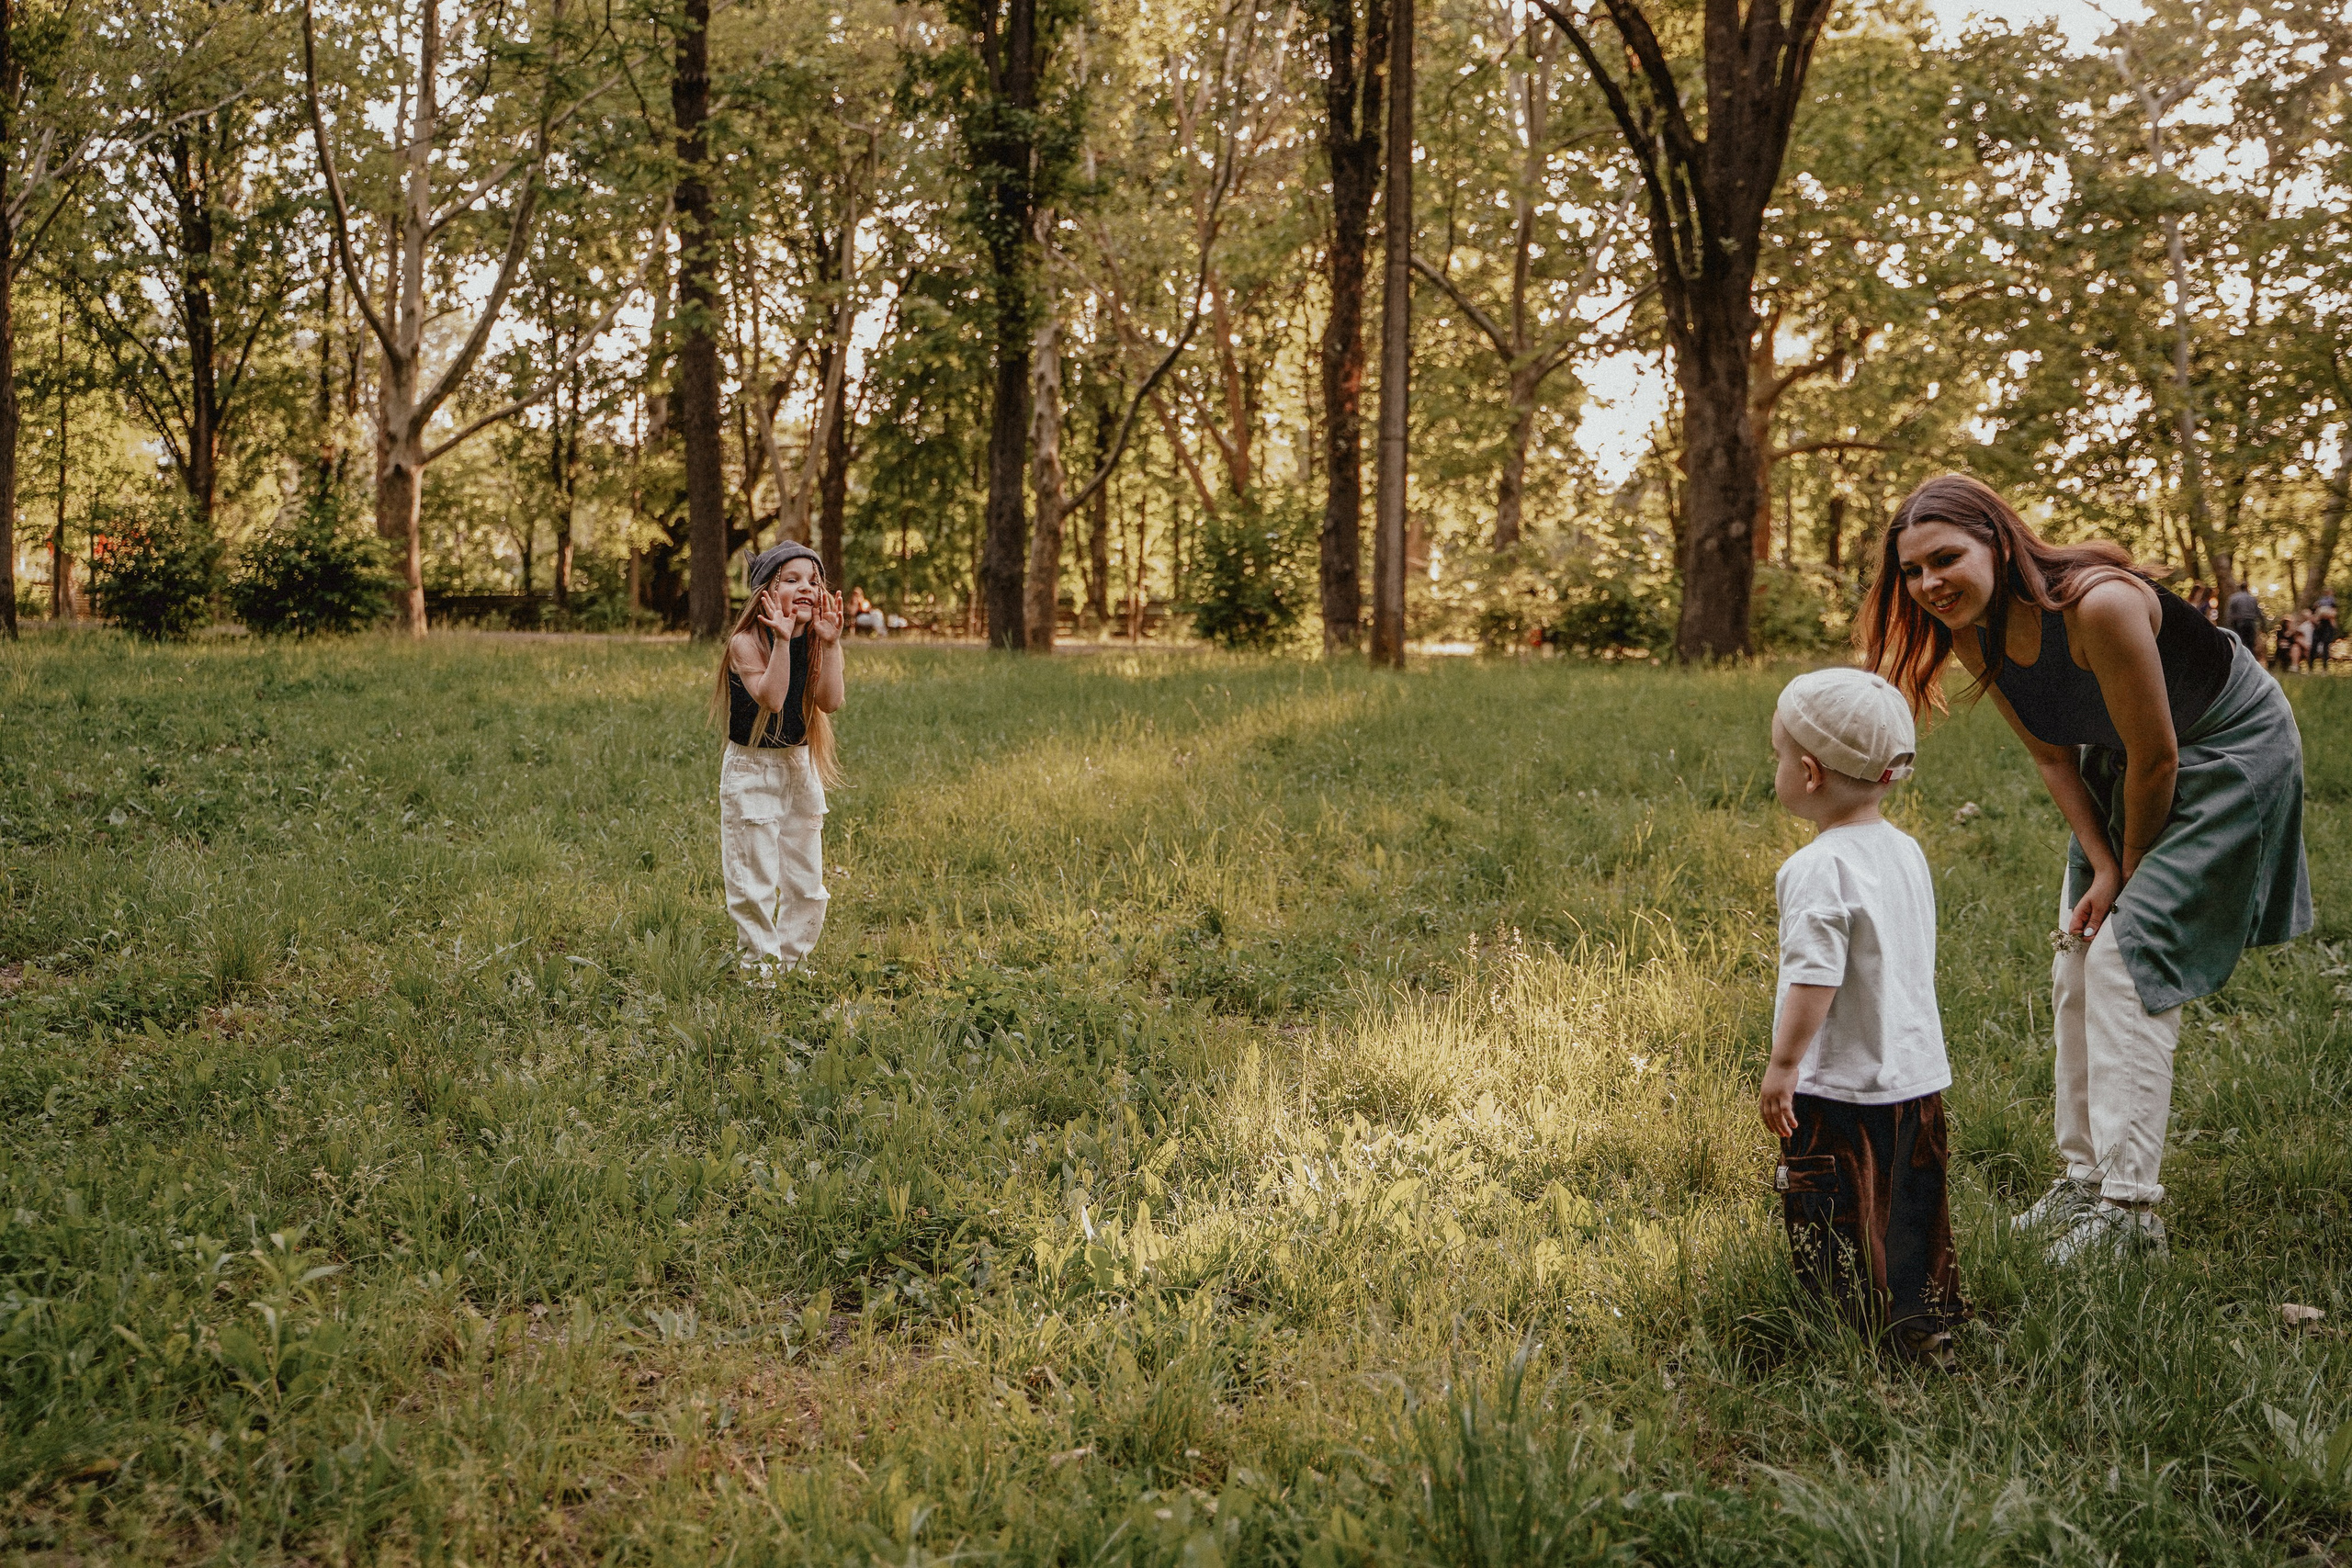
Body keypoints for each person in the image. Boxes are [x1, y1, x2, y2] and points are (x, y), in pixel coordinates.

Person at [1864, 475, 2310, 1261]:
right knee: (2077, 956)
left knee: (2124, 962)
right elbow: (2051, 755)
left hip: (2223, 751)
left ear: (1998, 543)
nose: (1928, 583)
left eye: (1945, 558)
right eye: (1911, 570)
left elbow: (2160, 755)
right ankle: (2084, 1179)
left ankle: (2131, 1212)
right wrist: (2100, 864)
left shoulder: (2098, 605)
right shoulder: (1974, 631)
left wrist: (2128, 874)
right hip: (2128, 764)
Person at [1762, 668, 1967, 1364]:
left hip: (1840, 1087)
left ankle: (1844, 1334)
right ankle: (1924, 1320)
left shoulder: (1818, 867)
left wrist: (1786, 1063)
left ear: (1812, 773)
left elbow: (1815, 974)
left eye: (1780, 756)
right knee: (1914, 1209)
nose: (1778, 768)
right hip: (1915, 1073)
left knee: (1835, 1213)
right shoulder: (1905, 851)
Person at [711, 543, 844, 986]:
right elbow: (770, 698)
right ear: (765, 593)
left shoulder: (815, 639)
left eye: (813, 580)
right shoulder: (745, 643)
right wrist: (783, 641)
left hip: (798, 767)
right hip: (752, 771)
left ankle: (795, 968)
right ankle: (761, 976)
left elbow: (831, 700)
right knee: (755, 882)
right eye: (792, 580)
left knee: (807, 882)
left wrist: (831, 642)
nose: (806, 588)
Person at [2224, 583, 2262, 652]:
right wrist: (2263, 624)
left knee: (2240, 642)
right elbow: (2258, 612)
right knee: (2250, 643)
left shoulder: (2233, 598)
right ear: (2247, 588)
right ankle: (2250, 658)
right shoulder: (2253, 599)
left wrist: (2228, 624)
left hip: (2239, 623)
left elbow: (2229, 612)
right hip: (2251, 623)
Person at [2314, 591, 2339, 669]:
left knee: (2326, 647)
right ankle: (2311, 667)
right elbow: (2317, 613)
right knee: (2314, 645)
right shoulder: (2320, 601)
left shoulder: (2332, 602)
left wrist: (2325, 614)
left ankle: (2324, 668)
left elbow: (2333, 614)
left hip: (2328, 627)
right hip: (2319, 626)